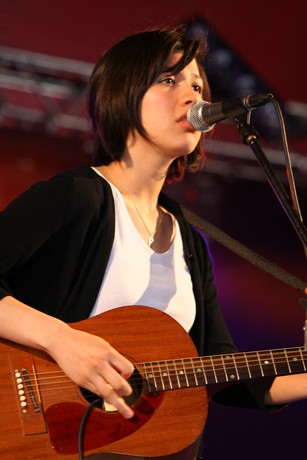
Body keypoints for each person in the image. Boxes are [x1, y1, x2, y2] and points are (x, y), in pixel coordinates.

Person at [0, 25, 307, 457]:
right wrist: (61, 340)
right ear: (123, 94)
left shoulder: (191, 242)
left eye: (197, 84)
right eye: (169, 79)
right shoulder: (76, 197)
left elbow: (221, 376)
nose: (193, 96)